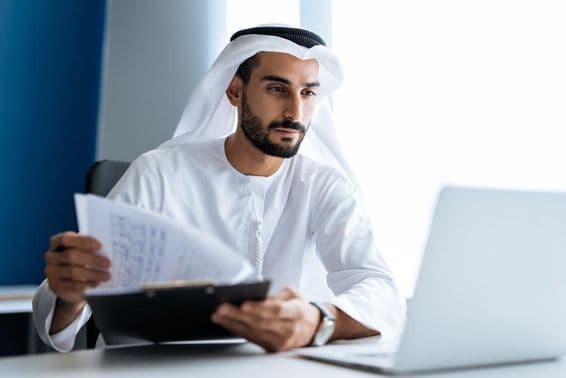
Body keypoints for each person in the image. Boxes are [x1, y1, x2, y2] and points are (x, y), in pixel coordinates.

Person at [33, 25, 405, 353]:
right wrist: (68, 295)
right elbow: (75, 297)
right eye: (277, 88)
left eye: (308, 94)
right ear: (234, 91)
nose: (295, 111)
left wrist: (317, 319)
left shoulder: (323, 185)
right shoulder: (160, 173)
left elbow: (379, 289)